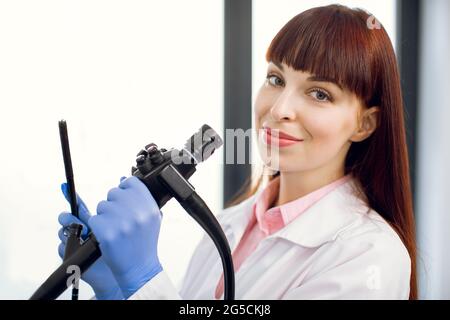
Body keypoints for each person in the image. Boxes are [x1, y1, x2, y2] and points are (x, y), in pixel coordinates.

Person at [57, 4, 416, 300]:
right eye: (276, 79)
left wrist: (143, 277)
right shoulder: (232, 225)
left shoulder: (369, 256)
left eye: (319, 93)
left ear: (364, 124)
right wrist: (117, 289)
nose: (279, 109)